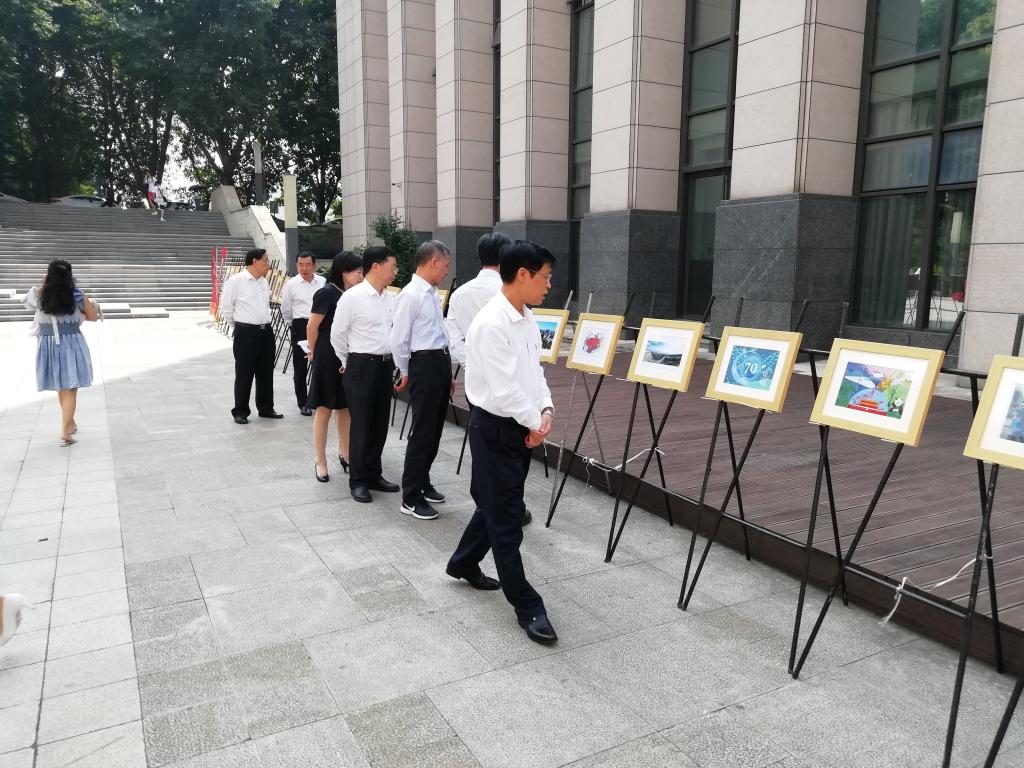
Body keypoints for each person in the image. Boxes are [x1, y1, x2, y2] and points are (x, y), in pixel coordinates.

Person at [446, 240, 558, 645]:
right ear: (523, 274)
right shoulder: (491, 323)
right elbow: (505, 390)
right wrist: (535, 422)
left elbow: (534, 373)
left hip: (520, 426)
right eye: (545, 277)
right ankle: (527, 605)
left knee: (494, 504)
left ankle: (462, 562)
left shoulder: (526, 317)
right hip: (495, 428)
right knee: (507, 519)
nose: (549, 285)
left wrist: (545, 410)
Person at [445, 231, 533, 526]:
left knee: (482, 443)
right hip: (512, 382)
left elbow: (453, 337)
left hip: (477, 384)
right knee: (514, 447)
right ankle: (510, 505)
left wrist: (474, 364)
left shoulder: (460, 293)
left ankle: (483, 500)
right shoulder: (513, 292)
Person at [331, 246, 401, 503]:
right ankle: (358, 480)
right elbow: (337, 335)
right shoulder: (353, 297)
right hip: (360, 365)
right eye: (392, 266)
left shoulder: (391, 298)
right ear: (375, 266)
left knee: (380, 424)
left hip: (385, 365)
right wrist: (347, 361)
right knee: (361, 425)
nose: (395, 271)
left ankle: (374, 474)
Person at [390, 240, 453, 521]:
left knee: (435, 430)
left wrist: (447, 372)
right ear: (433, 262)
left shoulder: (431, 293)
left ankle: (423, 481)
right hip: (423, 365)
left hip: (439, 363)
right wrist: (405, 371)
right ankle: (411, 496)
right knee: (423, 432)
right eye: (446, 265)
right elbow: (399, 339)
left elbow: (440, 333)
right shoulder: (411, 294)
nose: (447, 271)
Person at [24, 259, 99, 446]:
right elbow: (93, 317)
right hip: (72, 342)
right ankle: (65, 430)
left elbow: (30, 305)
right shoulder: (77, 295)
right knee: (71, 387)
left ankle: (70, 423)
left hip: (48, 344)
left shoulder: (38, 294)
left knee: (61, 385)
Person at [306, 251, 364, 482]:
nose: (361, 275)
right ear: (344, 272)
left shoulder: (354, 294)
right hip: (327, 357)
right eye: (358, 271)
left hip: (348, 356)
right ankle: (320, 461)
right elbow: (312, 327)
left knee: (345, 408)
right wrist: (313, 353)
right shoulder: (326, 293)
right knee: (324, 409)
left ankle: (346, 453)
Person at [219, 248, 283, 424]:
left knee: (266, 372)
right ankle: (240, 411)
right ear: (255, 261)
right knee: (244, 373)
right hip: (246, 333)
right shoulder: (236, 281)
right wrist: (239, 326)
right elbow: (226, 308)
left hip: (266, 331)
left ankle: (266, 408)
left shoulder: (264, 281)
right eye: (265, 261)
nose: (268, 264)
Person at [280, 252, 326, 416]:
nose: (304, 268)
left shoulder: (322, 282)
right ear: (296, 265)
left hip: (321, 325)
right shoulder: (291, 284)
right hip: (300, 325)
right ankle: (303, 402)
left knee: (321, 364)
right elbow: (286, 309)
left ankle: (318, 399)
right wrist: (295, 325)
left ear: (314, 265)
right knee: (300, 366)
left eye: (307, 265)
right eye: (300, 265)